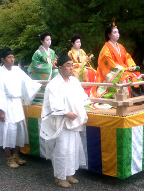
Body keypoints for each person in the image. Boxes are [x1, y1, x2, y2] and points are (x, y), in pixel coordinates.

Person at [40, 51, 89, 188]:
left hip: (74, 121)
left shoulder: (74, 81)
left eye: (72, 65)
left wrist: (85, 106)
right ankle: (59, 177)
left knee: (72, 148)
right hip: (61, 122)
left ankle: (69, 173)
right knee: (62, 149)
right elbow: (53, 104)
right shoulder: (53, 84)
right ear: (59, 67)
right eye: (68, 65)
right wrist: (66, 113)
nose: (71, 68)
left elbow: (82, 97)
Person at [0, 48, 41, 168]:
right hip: (5, 104)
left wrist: (40, 85)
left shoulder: (17, 70)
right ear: (3, 59)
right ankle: (9, 157)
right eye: (9, 57)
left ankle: (16, 154)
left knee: (19, 130)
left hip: (17, 103)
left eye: (13, 57)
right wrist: (0, 111)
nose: (12, 60)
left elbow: (28, 82)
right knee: (8, 130)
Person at [91, 23, 144, 105]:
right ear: (109, 35)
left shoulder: (120, 46)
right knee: (127, 77)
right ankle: (135, 97)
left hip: (123, 69)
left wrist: (132, 66)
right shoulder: (105, 49)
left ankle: (142, 95)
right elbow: (107, 62)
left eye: (118, 32)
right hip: (114, 71)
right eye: (115, 33)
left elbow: (127, 57)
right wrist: (122, 69)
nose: (117, 34)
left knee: (135, 74)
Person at [27, 32, 58, 104]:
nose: (49, 41)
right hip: (39, 72)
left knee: (57, 73)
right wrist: (50, 66)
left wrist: (55, 65)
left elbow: (55, 61)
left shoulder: (52, 52)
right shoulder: (37, 53)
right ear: (42, 41)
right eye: (47, 40)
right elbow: (36, 65)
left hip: (51, 71)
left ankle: (53, 95)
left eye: (50, 39)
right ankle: (40, 97)